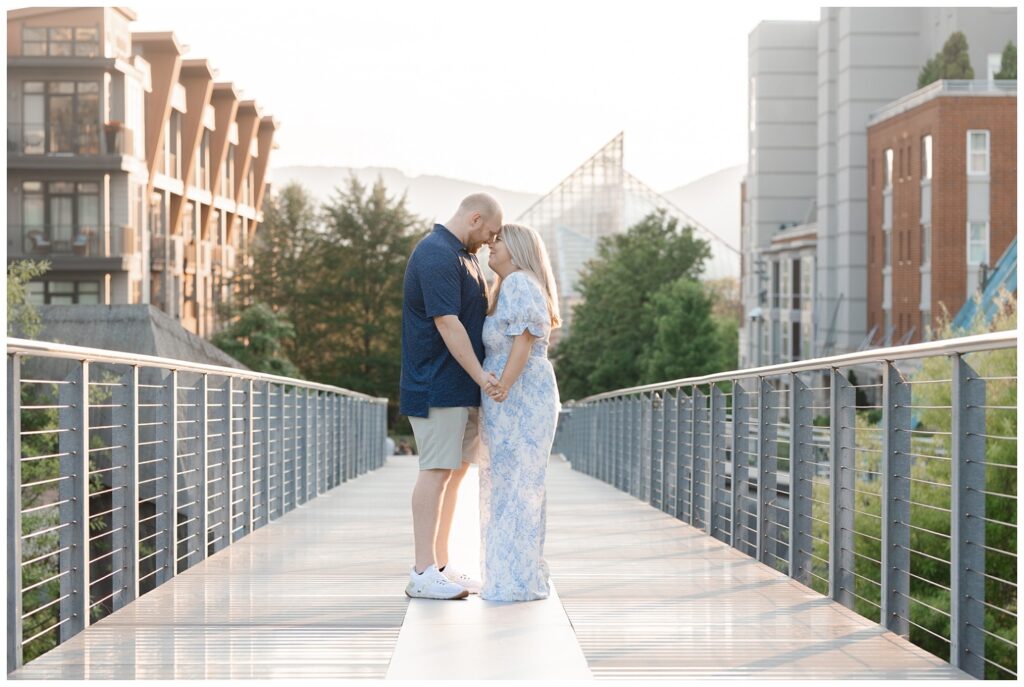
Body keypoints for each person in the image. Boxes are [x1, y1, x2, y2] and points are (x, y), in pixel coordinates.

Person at [400, 193, 505, 600]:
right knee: (435, 471)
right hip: (436, 385)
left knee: (455, 474)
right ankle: (421, 571)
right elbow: (447, 323)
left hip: (460, 388)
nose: (490, 240)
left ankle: (441, 565)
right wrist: (482, 375)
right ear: (475, 218)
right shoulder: (436, 254)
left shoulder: (465, 257)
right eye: (490, 232)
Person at [479, 223, 561, 601]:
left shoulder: (518, 282)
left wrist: (502, 385)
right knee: (514, 483)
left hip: (521, 395)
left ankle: (515, 579)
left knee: (517, 485)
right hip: (512, 394)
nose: (490, 247)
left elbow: (524, 340)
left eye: (498, 242)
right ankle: (514, 574)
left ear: (517, 248)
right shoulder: (508, 287)